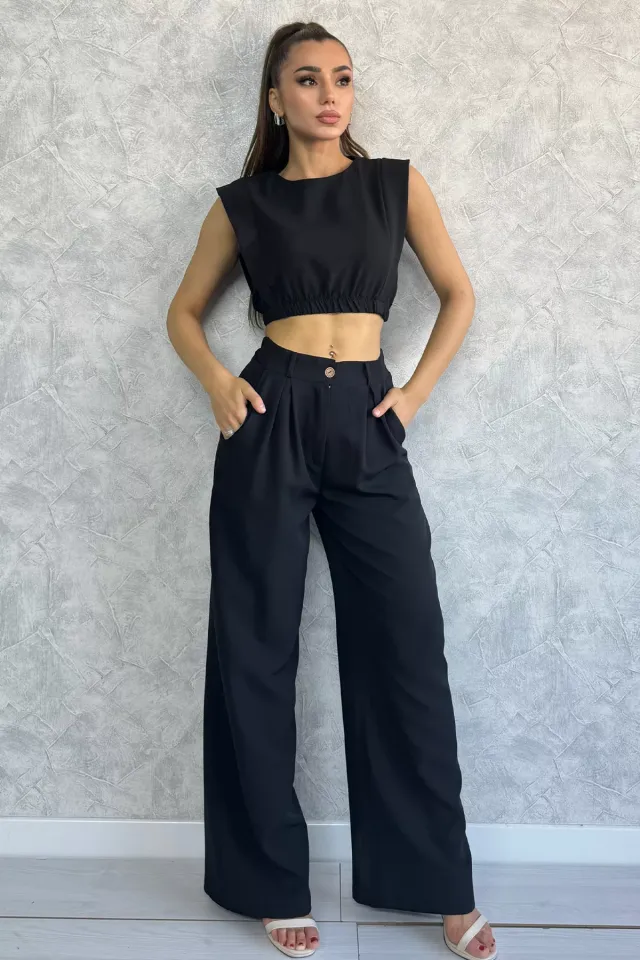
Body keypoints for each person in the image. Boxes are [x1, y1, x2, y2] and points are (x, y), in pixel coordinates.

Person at [166, 20, 498, 960]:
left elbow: (459, 294)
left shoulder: (395, 185)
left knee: (406, 647)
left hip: (367, 418)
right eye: (307, 80)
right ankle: (268, 879)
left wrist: (410, 399)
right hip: (269, 418)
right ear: (276, 99)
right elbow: (182, 312)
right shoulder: (244, 205)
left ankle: (438, 883)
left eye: (341, 78)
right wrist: (220, 382)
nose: (328, 95)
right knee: (255, 646)